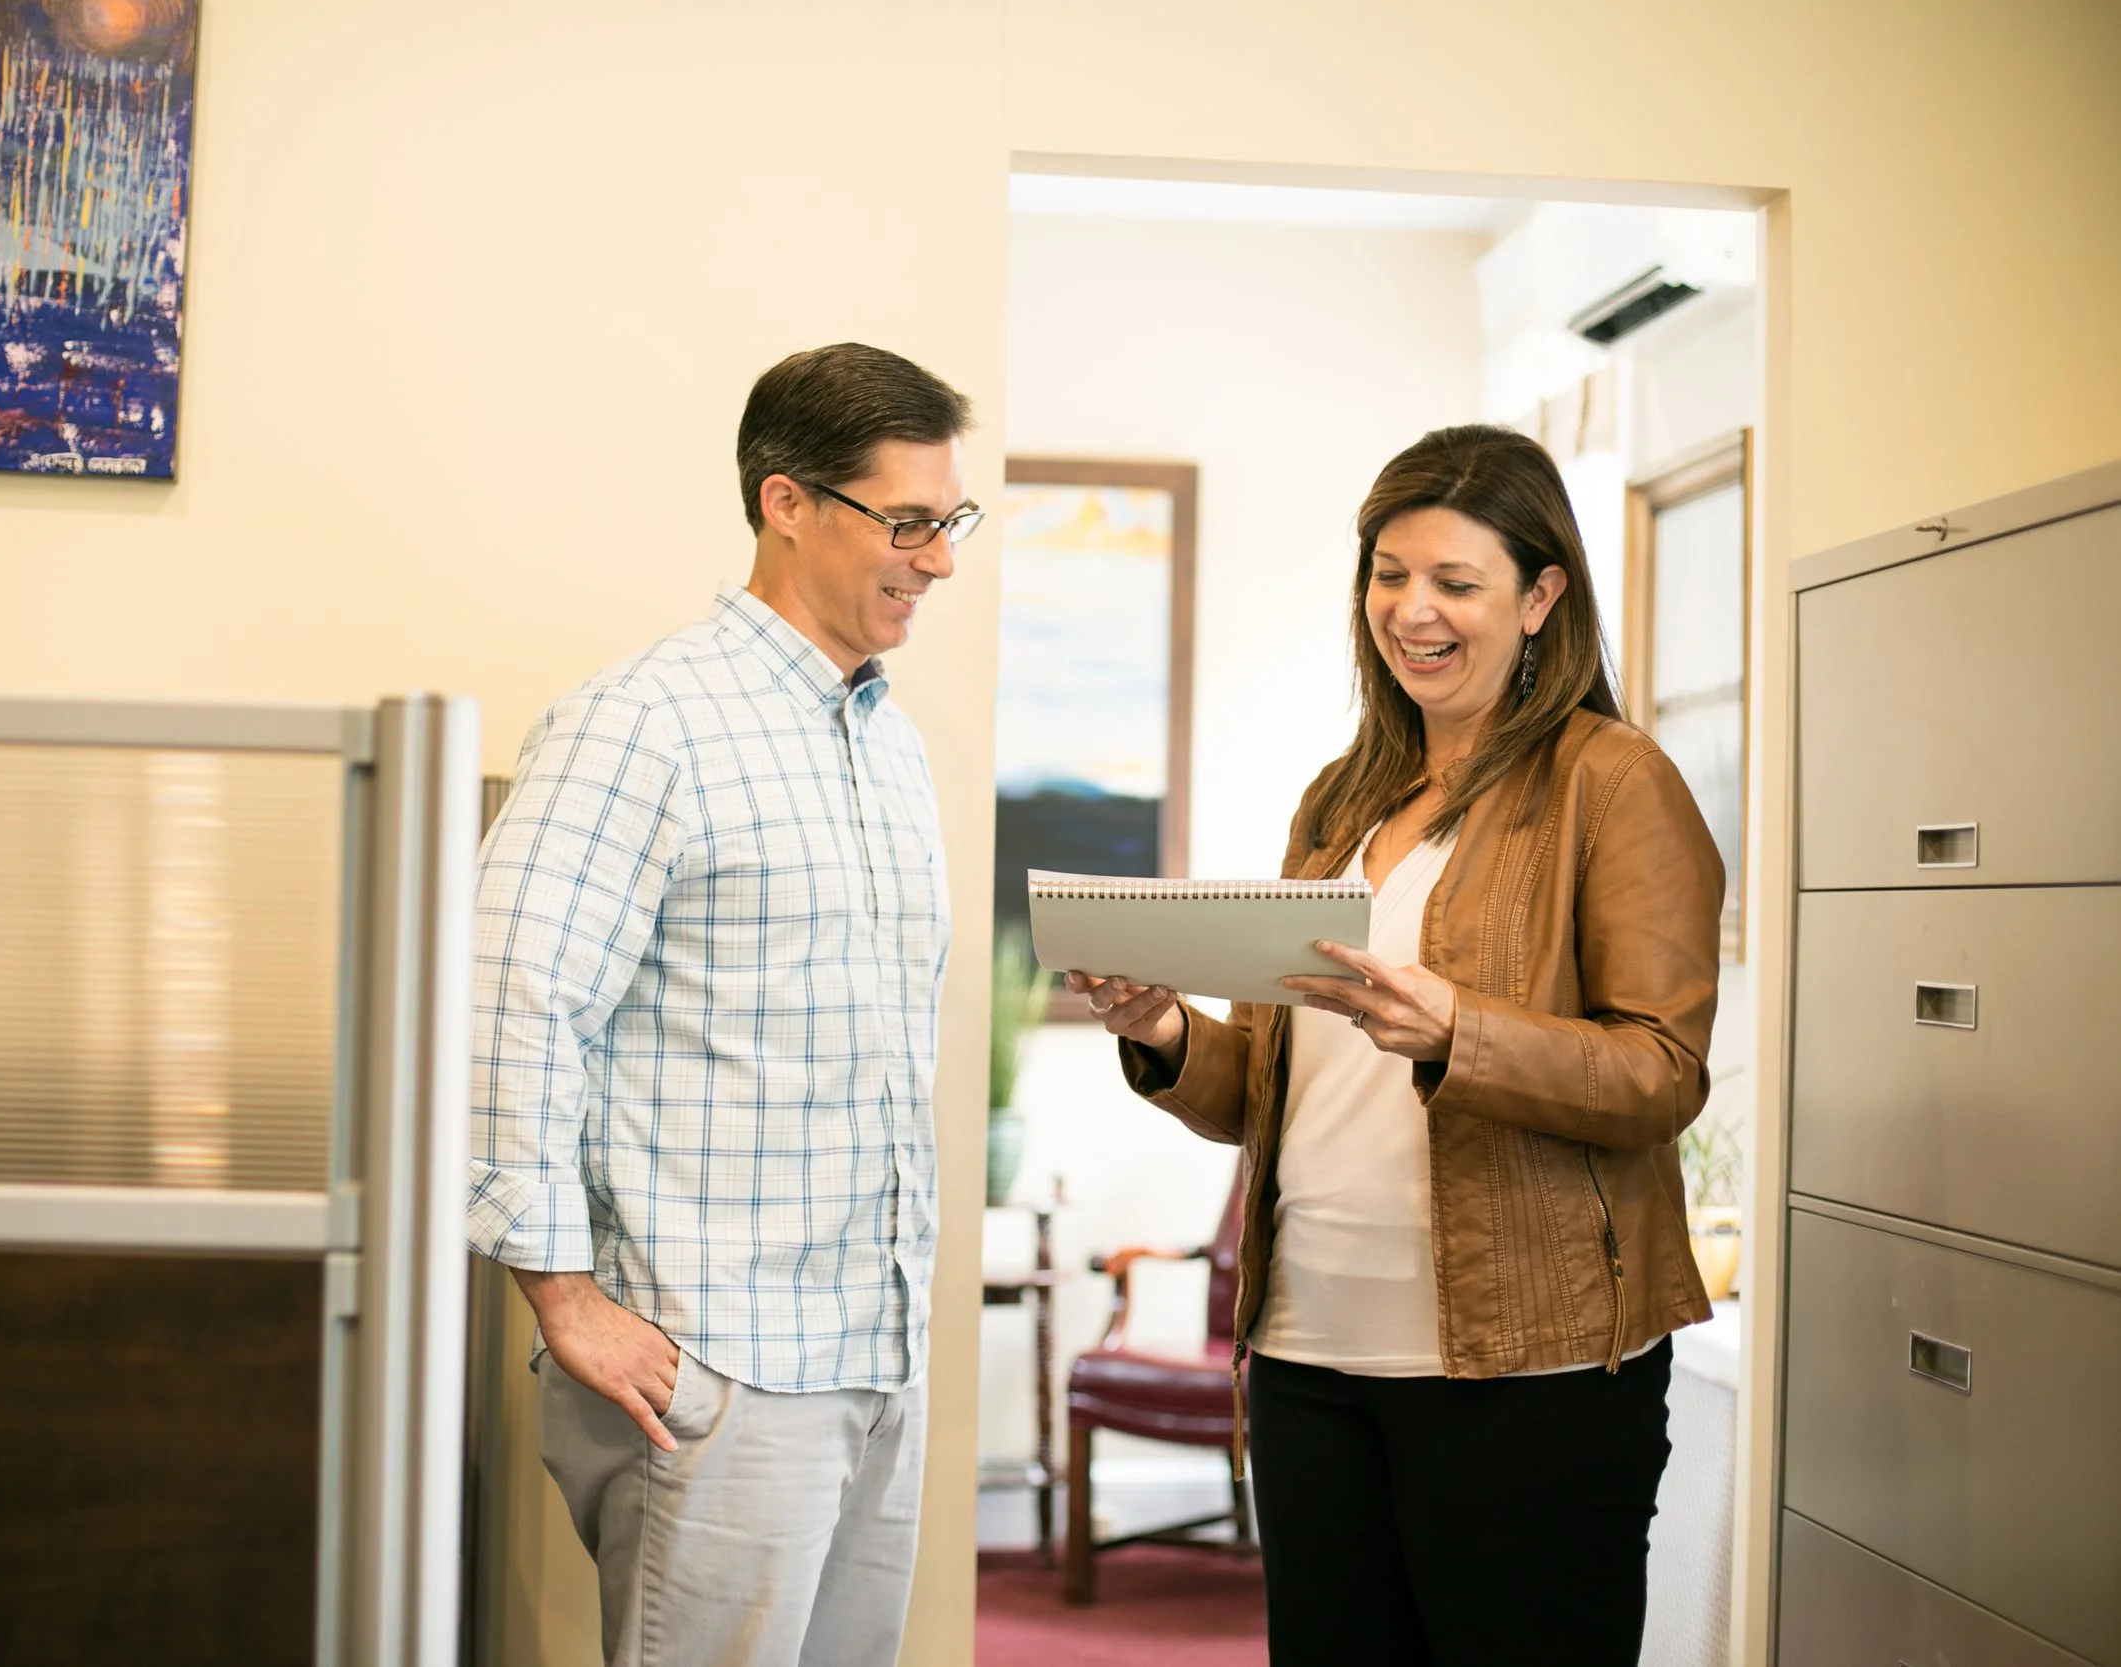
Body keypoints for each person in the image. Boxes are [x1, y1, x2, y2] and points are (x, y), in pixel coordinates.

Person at [1070, 424, 1722, 1667]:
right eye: (1388, 573)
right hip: (1311, 1350)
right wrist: (1159, 1028)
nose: (1410, 609)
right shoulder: (1341, 795)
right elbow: (1267, 1091)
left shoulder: (1614, 780)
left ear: (1540, 598)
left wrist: (1457, 1031)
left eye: (1453, 582)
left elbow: (1658, 1072)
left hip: (1524, 1370)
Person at [468, 343, 981, 1667]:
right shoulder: (644, 722)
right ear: (787, 502)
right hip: (719, 1368)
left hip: (874, 1356)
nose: (937, 558)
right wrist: (564, 1296)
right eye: (909, 521)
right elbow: (506, 1001)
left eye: (949, 520)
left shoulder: (892, 740)